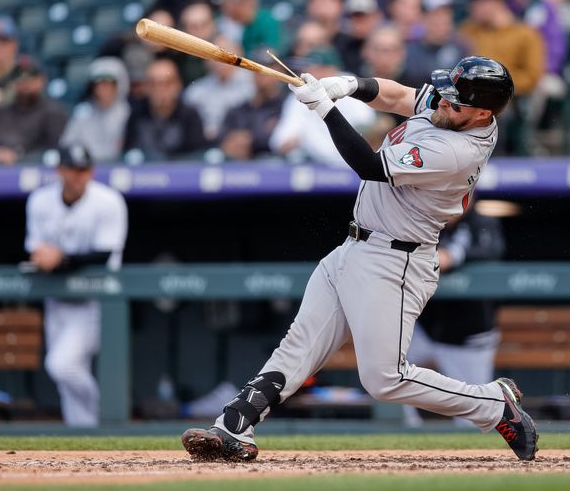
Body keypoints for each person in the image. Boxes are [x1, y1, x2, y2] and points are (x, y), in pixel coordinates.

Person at [180, 55, 538, 462]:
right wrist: (349, 85)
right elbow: (400, 95)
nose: (442, 103)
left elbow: (369, 166)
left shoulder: (457, 149)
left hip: (397, 262)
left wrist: (325, 110)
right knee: (298, 345)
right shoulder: (452, 111)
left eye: (454, 103)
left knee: (385, 379)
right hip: (353, 247)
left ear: (481, 114)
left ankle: (493, 404)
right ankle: (234, 425)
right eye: (445, 96)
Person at [24, 145, 128, 427]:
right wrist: (45, 256)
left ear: (91, 171)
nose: (77, 176)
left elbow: (105, 252)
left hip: (93, 301)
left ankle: (105, 417)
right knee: (65, 378)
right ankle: (83, 437)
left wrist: (61, 258)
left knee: (61, 365)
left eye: (83, 170)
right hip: (56, 299)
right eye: (71, 169)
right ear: (60, 170)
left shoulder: (108, 201)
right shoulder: (40, 201)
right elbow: (34, 246)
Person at [403, 203, 506, 428]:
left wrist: (454, 255)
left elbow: (490, 251)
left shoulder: (483, 224)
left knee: (473, 419)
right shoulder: (425, 222)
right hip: (426, 329)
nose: (448, 203)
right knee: (385, 368)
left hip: (468, 337)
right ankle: (399, 438)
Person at [269, 47, 376, 166]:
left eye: (318, 68)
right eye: (309, 68)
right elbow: (280, 141)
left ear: (333, 69)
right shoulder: (300, 94)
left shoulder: (350, 85)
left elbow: (368, 127)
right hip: (314, 165)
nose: (311, 73)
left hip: (350, 165)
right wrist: (295, 141)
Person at [0, 55, 68, 165]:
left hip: (36, 175)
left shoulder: (54, 113)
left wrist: (20, 157)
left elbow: (57, 152)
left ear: (42, 80)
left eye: (30, 76)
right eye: (19, 76)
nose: (25, 82)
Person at [122, 58, 207, 161]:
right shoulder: (136, 115)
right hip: (145, 173)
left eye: (166, 83)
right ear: (146, 87)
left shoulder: (190, 116)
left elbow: (197, 156)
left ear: (178, 85)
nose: (159, 90)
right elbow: (128, 152)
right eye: (153, 84)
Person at [183, 36, 255, 141]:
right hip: (205, 144)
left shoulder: (253, 84)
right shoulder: (196, 91)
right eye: (215, 55)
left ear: (239, 54)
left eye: (226, 54)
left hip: (243, 143)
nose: (221, 60)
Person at [60, 57, 131, 163]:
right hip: (84, 167)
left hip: (119, 167)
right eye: (99, 83)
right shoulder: (83, 111)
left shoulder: (128, 111)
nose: (103, 88)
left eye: (109, 83)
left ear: (119, 84)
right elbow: (67, 144)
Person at [219, 54, 287, 160]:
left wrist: (252, 140)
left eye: (268, 69)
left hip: (277, 166)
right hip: (239, 167)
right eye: (257, 70)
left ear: (280, 71)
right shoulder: (239, 110)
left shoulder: (288, 106)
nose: (262, 75)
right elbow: (221, 140)